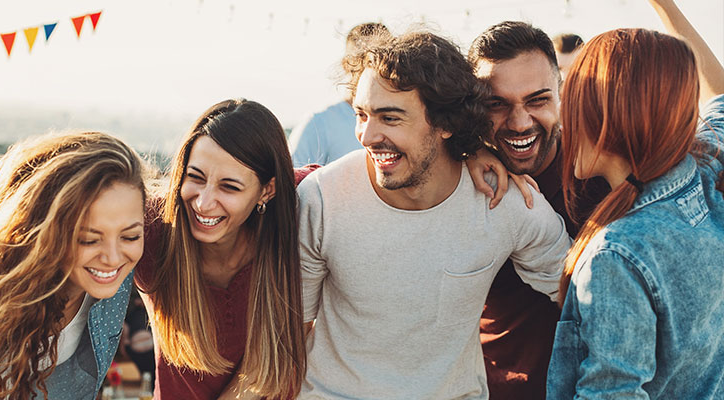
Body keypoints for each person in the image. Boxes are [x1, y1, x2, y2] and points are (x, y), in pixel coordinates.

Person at [297, 30, 571, 399]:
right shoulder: (320, 198)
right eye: (361, 114)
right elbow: (292, 330)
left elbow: (589, 298)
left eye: (389, 118)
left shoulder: (509, 204)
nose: (365, 136)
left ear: (446, 122)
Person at [547, 0, 724, 398]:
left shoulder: (618, 254)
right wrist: (665, 7)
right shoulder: (705, 171)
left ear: (607, 115)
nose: (563, 120)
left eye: (572, 104)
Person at [0, 131, 149, 399]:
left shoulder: (113, 282)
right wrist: (1, 220)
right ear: (46, 230)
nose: (113, 257)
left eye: (130, 236)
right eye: (89, 239)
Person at [467, 21, 609, 399]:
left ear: (561, 93)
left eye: (537, 100)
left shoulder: (603, 168)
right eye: (496, 104)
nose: (519, 122)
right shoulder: (458, 180)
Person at [135, 99, 306, 399]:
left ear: (268, 190)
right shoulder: (152, 229)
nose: (203, 202)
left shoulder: (306, 207)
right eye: (195, 177)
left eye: (229, 187)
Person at [288, 22, 390, 167]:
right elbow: (293, 181)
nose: (372, 67)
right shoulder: (318, 123)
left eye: (381, 60)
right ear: (346, 64)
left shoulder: (402, 121)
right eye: (363, 59)